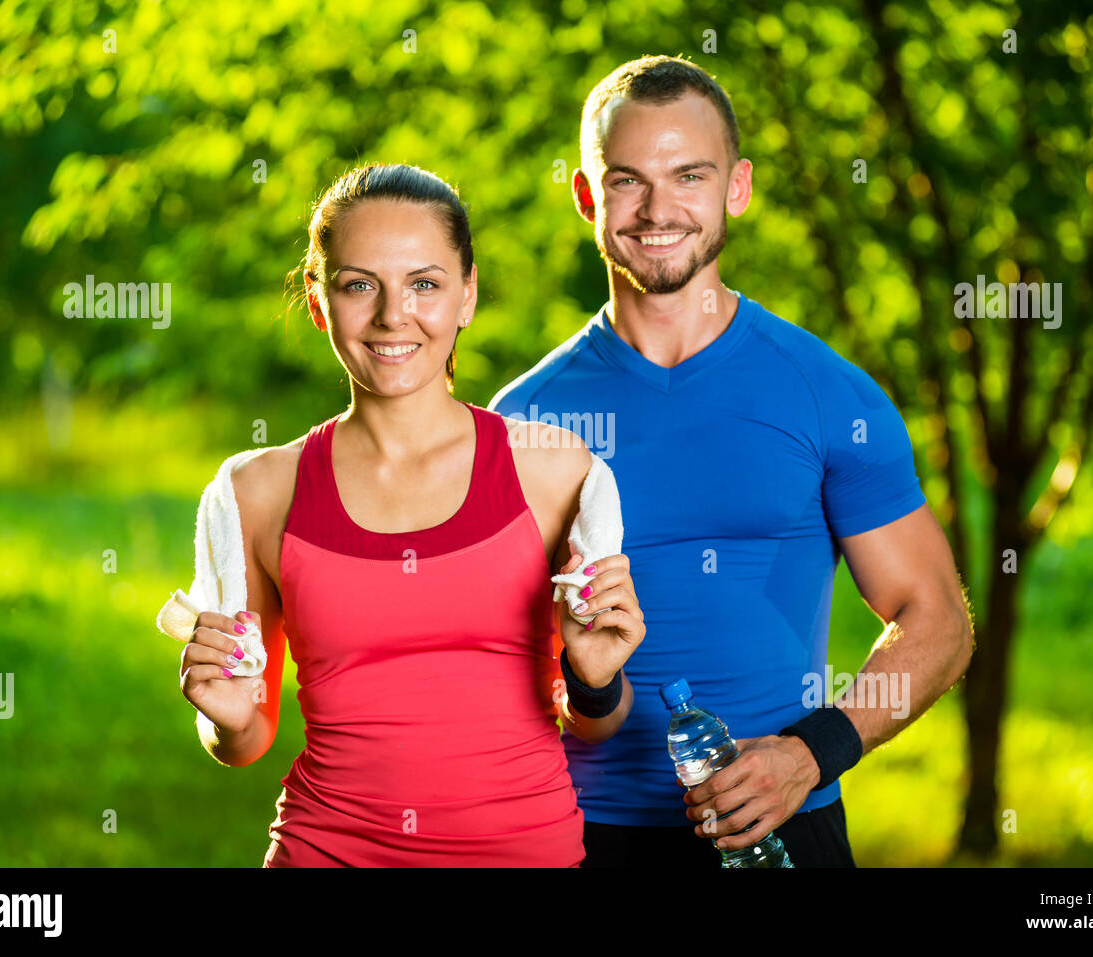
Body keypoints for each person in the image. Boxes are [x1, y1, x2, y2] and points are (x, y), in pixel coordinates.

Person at [489, 56, 974, 868]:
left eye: (689, 176)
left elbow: (938, 619)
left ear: (737, 188)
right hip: (576, 836)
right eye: (626, 181)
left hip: (788, 824)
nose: (657, 209)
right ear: (585, 196)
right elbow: (490, 663)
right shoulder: (521, 420)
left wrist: (810, 753)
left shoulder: (827, 394)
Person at [174, 163, 646, 866]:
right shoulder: (257, 491)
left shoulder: (552, 472)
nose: (395, 315)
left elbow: (595, 721)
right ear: (318, 300)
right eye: (359, 284)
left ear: (467, 295)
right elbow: (245, 738)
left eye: (424, 283)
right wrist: (228, 719)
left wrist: (594, 675)